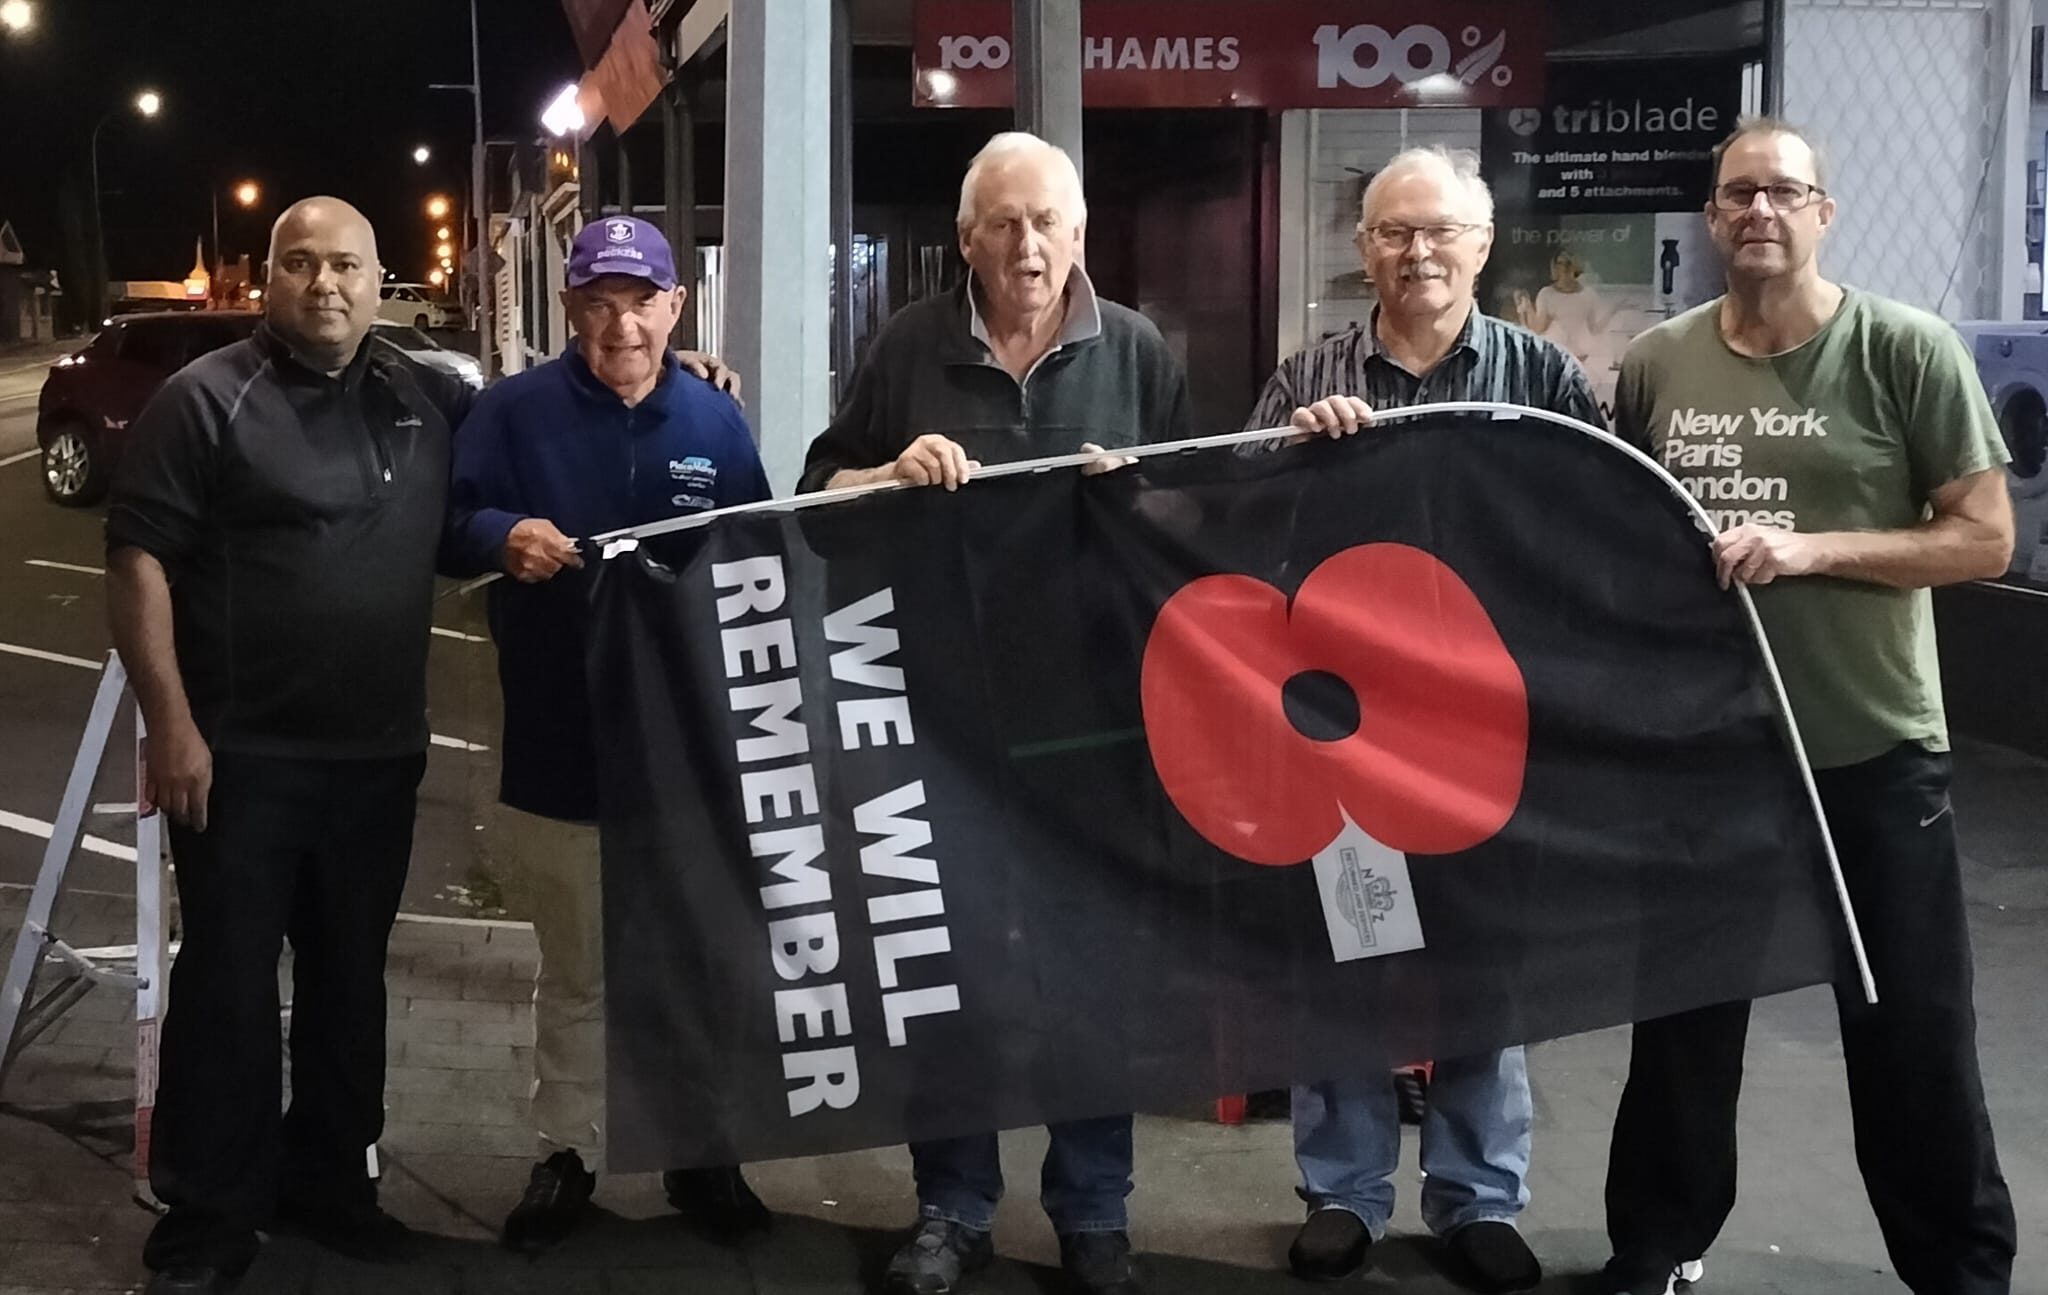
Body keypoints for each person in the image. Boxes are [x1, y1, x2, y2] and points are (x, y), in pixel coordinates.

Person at [1597, 118, 2016, 1295]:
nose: (1758, 212)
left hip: (1870, 747)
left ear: (1822, 212)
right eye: (1737, 194)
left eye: (1783, 191)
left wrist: (1809, 546)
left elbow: (1983, 539)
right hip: (1709, 752)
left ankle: (1959, 1269)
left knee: (1910, 1027)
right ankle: (1655, 1246)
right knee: (1683, 1023)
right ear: (1711, 215)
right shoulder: (1659, 360)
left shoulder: (1905, 348)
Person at [800, 130, 1190, 1295]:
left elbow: (1194, 532)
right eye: (1005, 223)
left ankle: (1093, 1213)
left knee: (1090, 975)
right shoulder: (906, 347)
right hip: (943, 724)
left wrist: (1141, 502)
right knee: (945, 971)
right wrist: (883, 474)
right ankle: (952, 1207)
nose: (1028, 245)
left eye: (1048, 222)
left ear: (1080, 232)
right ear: (965, 237)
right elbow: (819, 499)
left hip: (1096, 723)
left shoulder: (1135, 351)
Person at [1244, 145, 1601, 1295]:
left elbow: (1603, 528)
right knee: (1350, 953)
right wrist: (1290, 461)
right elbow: (1235, 538)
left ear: (1480, 245)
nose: (1418, 252)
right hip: (1344, 731)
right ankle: (1340, 1190)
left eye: (1440, 231)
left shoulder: (1540, 379)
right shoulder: (1304, 380)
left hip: (1486, 733)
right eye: (1395, 232)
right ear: (1362, 252)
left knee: (1480, 968)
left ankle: (1475, 1196)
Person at [106, 198, 477, 1295]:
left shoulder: (422, 394)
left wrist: (687, 366)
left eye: (347, 265)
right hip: (241, 758)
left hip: (377, 756)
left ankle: (329, 1185)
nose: (326, 284)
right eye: (302, 263)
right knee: (225, 985)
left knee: (348, 982)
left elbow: (541, 414)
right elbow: (137, 562)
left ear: (378, 279)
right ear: (267, 278)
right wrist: (170, 720)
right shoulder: (206, 398)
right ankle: (206, 1218)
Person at [441, 215, 773, 1253]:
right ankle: (566, 1152)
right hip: (559, 739)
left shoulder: (715, 423)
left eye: (641, 301)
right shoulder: (508, 413)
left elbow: (756, 555)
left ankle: (697, 1146)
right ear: (569, 309)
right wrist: (501, 535)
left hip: (684, 750)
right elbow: (445, 529)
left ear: (676, 307)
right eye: (597, 302)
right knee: (577, 965)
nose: (619, 323)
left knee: (688, 956)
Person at [1513, 251, 1618, 368]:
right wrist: (1527, 307)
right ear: (1555, 267)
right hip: (1554, 355)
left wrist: (1614, 310)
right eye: (1561, 263)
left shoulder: (1588, 294)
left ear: (1575, 265)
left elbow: (1594, 329)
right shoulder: (1547, 294)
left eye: (1568, 262)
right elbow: (1538, 328)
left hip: (1579, 356)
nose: (1565, 267)